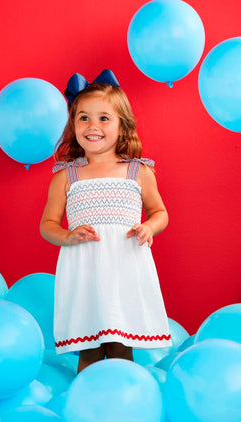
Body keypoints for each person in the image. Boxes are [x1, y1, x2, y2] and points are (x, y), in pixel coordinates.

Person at [40, 70, 172, 373]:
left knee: (119, 345)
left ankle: (125, 406)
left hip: (123, 267)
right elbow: (47, 223)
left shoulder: (138, 171)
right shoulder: (65, 175)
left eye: (103, 118)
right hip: (85, 270)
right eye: (83, 118)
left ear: (122, 126)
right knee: (90, 348)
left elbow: (160, 213)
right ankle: (86, 408)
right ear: (73, 125)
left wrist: (148, 227)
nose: (92, 126)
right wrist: (67, 235)